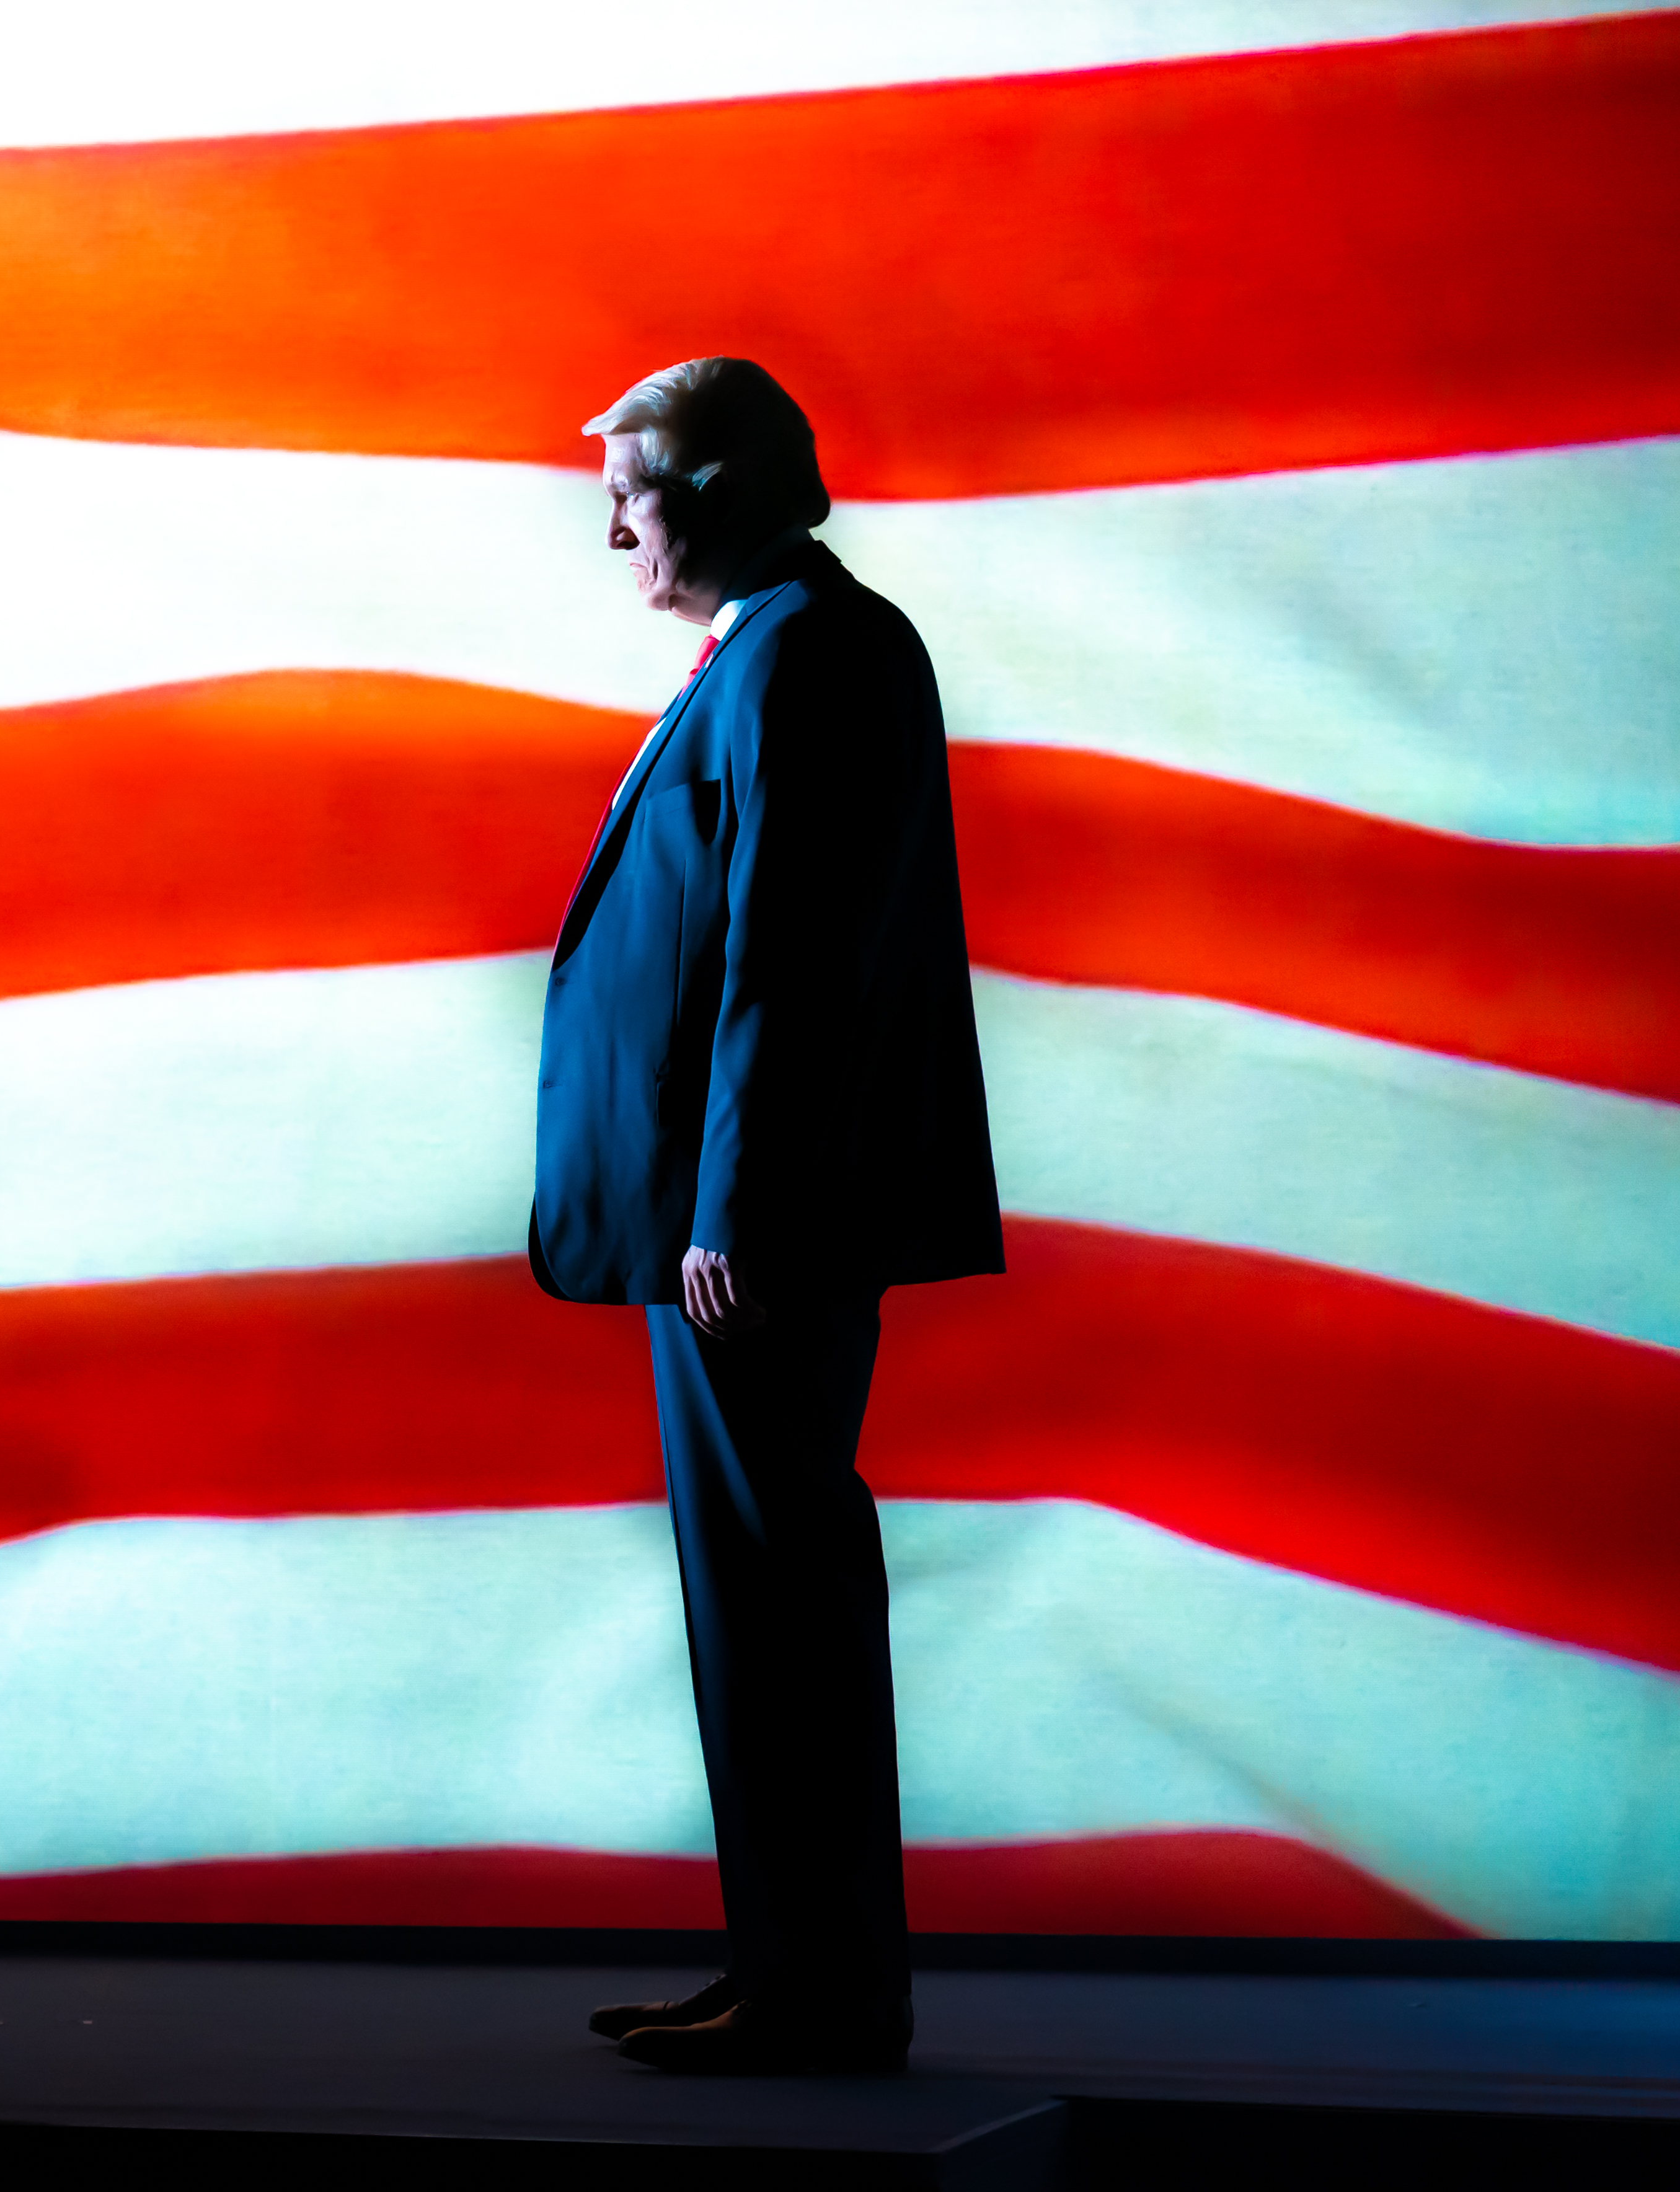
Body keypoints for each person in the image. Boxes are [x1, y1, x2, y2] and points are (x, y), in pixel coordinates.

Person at [530, 358, 1004, 2074]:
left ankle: (818, 1993)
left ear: (725, 489)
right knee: (755, 1603)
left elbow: (791, 966)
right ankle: (788, 1972)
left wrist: (736, 1201)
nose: (610, 532)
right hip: (726, 1219)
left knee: (779, 1596)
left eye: (632, 499)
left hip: (755, 1229)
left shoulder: (809, 654)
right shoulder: (776, 652)